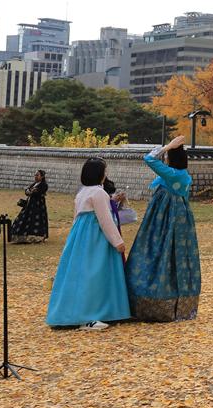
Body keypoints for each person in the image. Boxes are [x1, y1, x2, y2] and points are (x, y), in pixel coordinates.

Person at [46, 158, 131, 330]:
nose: (106, 175)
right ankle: (93, 314)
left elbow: (78, 217)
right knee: (96, 274)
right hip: (96, 238)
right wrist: (117, 242)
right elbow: (105, 220)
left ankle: (74, 312)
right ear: (99, 174)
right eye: (104, 171)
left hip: (80, 237)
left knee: (80, 274)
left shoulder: (82, 192)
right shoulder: (99, 193)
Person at [125, 135, 202, 322]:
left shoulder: (172, 174)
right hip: (180, 220)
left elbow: (148, 159)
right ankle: (180, 304)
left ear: (170, 159)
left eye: (167, 156)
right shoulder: (182, 175)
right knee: (177, 255)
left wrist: (167, 146)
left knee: (156, 251)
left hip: (162, 220)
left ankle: (152, 300)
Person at [8, 169, 49, 244]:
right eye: (35, 175)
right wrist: (29, 191)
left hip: (38, 206)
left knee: (36, 220)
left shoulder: (44, 185)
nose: (35, 177)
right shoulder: (34, 184)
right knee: (22, 219)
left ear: (42, 177)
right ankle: (20, 237)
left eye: (37, 175)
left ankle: (36, 237)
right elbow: (27, 191)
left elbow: (37, 193)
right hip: (29, 205)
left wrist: (30, 191)